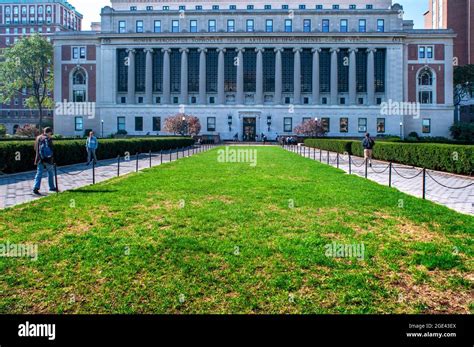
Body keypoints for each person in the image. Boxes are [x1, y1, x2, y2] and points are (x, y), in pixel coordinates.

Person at [33, 127, 57, 195]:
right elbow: (51, 150)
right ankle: (51, 187)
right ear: (49, 132)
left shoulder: (38, 138)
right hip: (48, 159)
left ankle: (36, 187)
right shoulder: (48, 139)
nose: (51, 135)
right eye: (51, 133)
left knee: (39, 173)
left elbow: (35, 148)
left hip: (39, 159)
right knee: (50, 172)